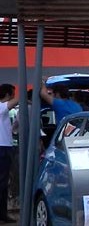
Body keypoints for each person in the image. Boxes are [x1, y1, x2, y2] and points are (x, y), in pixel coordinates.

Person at [0, 84, 16, 222]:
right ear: (7, 94)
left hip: (5, 148)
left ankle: (3, 214)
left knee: (4, 184)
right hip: (2, 149)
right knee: (2, 183)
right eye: (13, 93)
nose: (14, 96)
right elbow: (13, 103)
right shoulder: (1, 107)